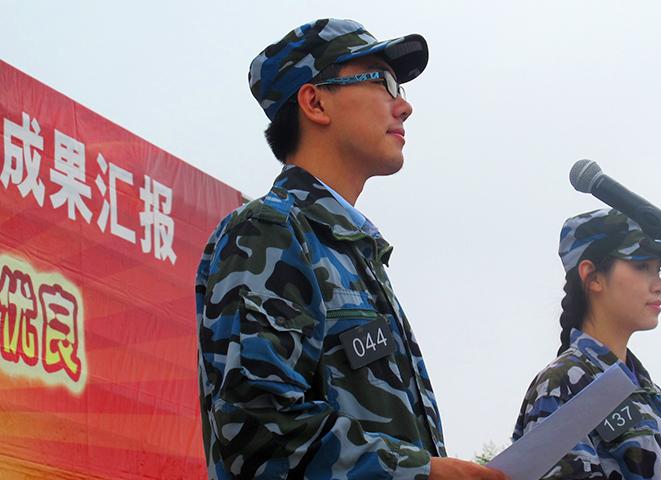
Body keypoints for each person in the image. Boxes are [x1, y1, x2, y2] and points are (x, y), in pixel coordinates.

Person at [196, 18, 505, 479]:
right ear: (316, 102)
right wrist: (427, 474)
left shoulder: (352, 252)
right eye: (383, 81)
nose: (404, 106)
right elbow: (258, 434)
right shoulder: (270, 231)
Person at [512, 208, 661, 480]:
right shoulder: (563, 383)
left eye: (658, 270)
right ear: (593, 276)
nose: (660, 285)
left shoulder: (653, 401)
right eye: (641, 266)